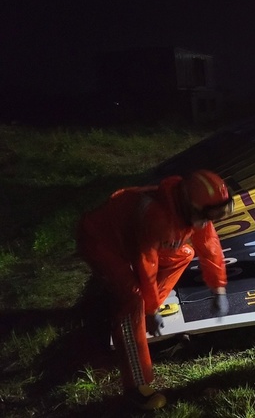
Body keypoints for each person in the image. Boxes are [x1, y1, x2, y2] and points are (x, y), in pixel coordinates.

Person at [76, 169, 234, 410]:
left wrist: (218, 288)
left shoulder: (193, 210)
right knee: (132, 299)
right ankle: (137, 387)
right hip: (101, 241)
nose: (207, 223)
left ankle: (141, 314)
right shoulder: (155, 215)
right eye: (206, 216)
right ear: (190, 206)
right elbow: (145, 263)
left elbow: (209, 246)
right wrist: (148, 308)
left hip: (129, 240)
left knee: (185, 254)